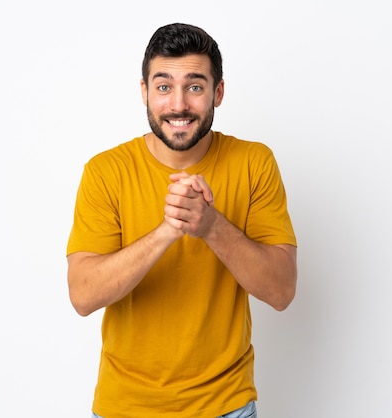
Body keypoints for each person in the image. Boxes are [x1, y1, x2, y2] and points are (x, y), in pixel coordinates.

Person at [66, 22, 298, 418]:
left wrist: (210, 227)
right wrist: (167, 231)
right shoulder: (105, 172)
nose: (178, 105)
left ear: (217, 93)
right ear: (144, 92)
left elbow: (281, 291)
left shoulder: (254, 163)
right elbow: (83, 296)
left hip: (227, 406)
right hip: (126, 407)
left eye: (194, 86)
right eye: (163, 86)